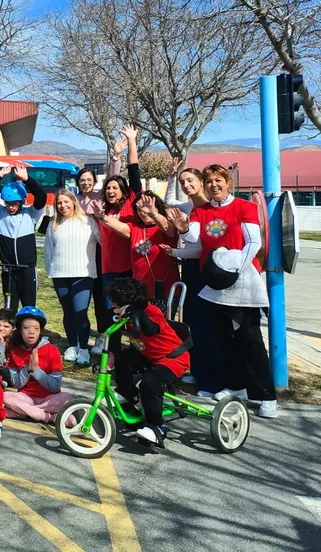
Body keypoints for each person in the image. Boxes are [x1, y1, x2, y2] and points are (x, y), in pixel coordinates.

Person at [169, 164, 277, 418]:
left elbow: (254, 241)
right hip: (214, 283)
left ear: (227, 182)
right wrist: (183, 228)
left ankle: (265, 395)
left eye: (218, 180)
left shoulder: (244, 207)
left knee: (249, 340)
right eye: (209, 181)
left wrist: (237, 267)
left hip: (242, 282)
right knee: (223, 338)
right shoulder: (200, 211)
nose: (213, 185)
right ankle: (235, 386)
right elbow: (195, 238)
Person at [108, 277, 191, 447]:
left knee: (150, 383)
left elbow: (151, 329)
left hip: (172, 358)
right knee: (123, 359)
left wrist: (136, 313)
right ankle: (126, 397)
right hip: (148, 355)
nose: (111, 305)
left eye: (115, 302)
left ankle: (156, 426)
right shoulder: (123, 315)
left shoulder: (151, 312)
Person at [163, 164, 222, 397]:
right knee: (192, 324)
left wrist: (175, 253)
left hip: (208, 270)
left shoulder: (210, 209)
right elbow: (167, 203)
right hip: (189, 269)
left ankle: (212, 379)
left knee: (208, 326)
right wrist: (170, 176)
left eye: (190, 181)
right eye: (183, 182)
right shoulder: (188, 207)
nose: (187, 186)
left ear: (201, 181)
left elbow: (201, 248)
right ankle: (197, 370)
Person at [89, 124, 142, 353]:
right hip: (108, 270)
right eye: (107, 188)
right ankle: (112, 353)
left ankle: (136, 351)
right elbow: (111, 177)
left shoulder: (132, 203)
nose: (110, 191)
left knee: (130, 312)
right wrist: (114, 156)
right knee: (111, 312)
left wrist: (131, 142)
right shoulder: (105, 211)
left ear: (123, 191)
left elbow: (133, 171)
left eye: (114, 188)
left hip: (129, 268)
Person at [75, 149, 124, 359]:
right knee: (83, 297)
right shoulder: (73, 198)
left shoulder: (100, 197)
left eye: (89, 180)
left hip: (100, 252)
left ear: (94, 182)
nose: (85, 183)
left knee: (101, 296)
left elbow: (113, 179)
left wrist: (115, 158)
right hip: (80, 253)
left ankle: (102, 336)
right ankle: (79, 338)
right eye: (82, 180)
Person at [0, 164, 47, 310]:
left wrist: (27, 179)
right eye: (8, 204)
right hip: (8, 270)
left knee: (29, 308)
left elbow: (41, 196)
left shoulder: (31, 213)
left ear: (22, 202)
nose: (11, 208)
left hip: (27, 269)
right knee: (9, 308)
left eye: (15, 204)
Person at [44, 188, 98, 365]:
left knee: (80, 312)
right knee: (67, 312)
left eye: (66, 201)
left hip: (83, 274)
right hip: (60, 273)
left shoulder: (88, 222)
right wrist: (50, 270)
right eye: (59, 203)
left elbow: (104, 241)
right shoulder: (54, 224)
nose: (62, 205)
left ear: (73, 201)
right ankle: (72, 345)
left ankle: (84, 348)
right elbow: (48, 250)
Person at [98, 192, 179, 307]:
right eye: (139, 209)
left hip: (165, 290)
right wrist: (102, 217)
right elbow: (119, 226)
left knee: (160, 324)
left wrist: (153, 214)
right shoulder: (135, 228)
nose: (143, 212)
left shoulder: (167, 226)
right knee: (140, 324)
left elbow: (165, 226)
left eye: (147, 207)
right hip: (140, 291)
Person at [4, 306, 72, 423]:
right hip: (26, 398)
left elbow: (55, 386)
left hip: (50, 399)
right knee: (4, 397)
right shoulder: (14, 351)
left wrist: (36, 371)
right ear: (20, 330)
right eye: (26, 328)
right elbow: (16, 383)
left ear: (41, 330)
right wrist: (27, 370)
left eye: (36, 328)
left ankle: (27, 413)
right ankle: (49, 417)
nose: (31, 332)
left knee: (68, 399)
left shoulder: (52, 350)